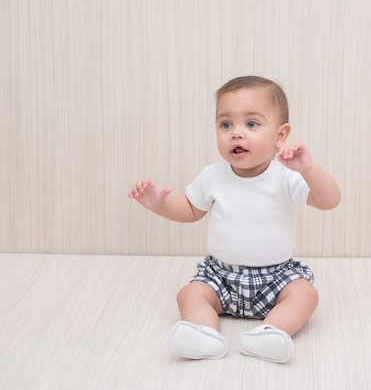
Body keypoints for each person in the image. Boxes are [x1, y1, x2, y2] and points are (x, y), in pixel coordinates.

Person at [128, 76, 341, 363]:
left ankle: (271, 332)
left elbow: (329, 201)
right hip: (221, 276)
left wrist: (309, 169)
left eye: (251, 124)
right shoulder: (213, 176)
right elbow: (190, 209)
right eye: (225, 125)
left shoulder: (286, 177)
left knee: (305, 294)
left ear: (280, 136)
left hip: (276, 278)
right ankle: (205, 334)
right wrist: (159, 204)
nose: (236, 134)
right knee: (190, 294)